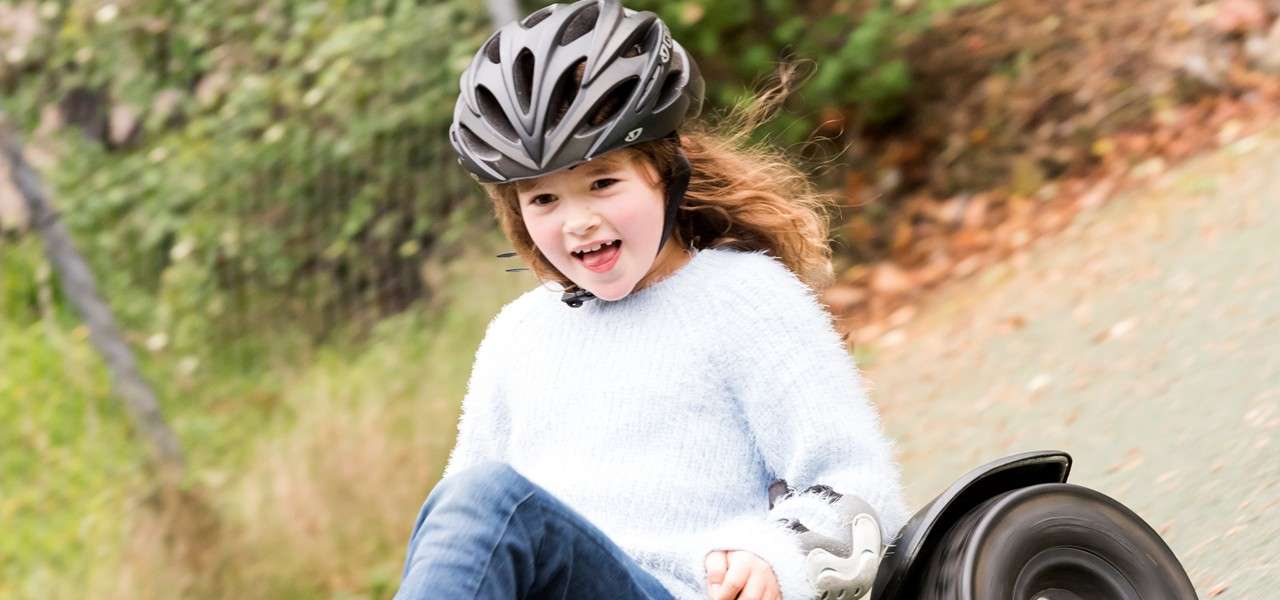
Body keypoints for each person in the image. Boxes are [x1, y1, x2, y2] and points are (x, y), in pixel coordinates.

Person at [395, 1, 908, 598]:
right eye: (543, 201)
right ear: (516, 214)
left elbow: (861, 487)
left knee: (487, 500)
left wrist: (776, 558)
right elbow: (461, 549)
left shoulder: (743, 298)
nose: (577, 223)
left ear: (667, 172)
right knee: (464, 501)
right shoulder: (518, 337)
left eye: (603, 183)